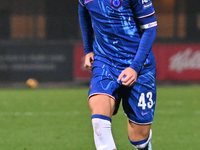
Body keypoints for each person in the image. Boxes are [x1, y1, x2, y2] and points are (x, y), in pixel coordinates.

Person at [78, 0, 157, 149]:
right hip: (105, 62)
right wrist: (88, 49)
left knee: (139, 140)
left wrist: (135, 67)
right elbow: (84, 11)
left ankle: (145, 144)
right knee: (99, 122)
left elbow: (150, 29)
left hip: (139, 65)